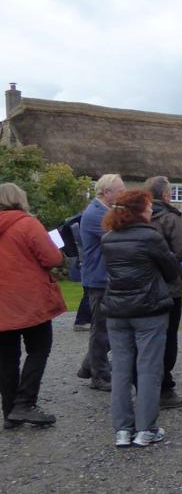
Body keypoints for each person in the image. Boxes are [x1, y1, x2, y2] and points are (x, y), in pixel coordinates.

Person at [100, 190, 180, 447]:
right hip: (149, 310)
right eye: (147, 207)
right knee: (148, 369)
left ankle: (122, 430)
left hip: (117, 310)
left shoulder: (109, 238)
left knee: (121, 370)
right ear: (137, 211)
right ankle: (146, 429)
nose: (151, 211)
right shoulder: (151, 237)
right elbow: (171, 270)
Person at [0, 183, 66, 429]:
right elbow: (52, 258)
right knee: (39, 349)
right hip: (29, 299)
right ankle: (25, 402)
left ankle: (9, 411)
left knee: (7, 357)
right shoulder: (27, 224)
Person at [145, 176, 182, 409]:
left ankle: (148, 385)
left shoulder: (137, 216)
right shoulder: (169, 219)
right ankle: (164, 387)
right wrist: (168, 263)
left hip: (142, 287)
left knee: (146, 337)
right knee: (167, 336)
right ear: (165, 195)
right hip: (168, 287)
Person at [78, 173, 126, 392]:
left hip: (103, 277)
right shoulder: (97, 214)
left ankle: (90, 365)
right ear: (107, 193)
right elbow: (121, 238)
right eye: (120, 191)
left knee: (107, 326)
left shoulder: (103, 211)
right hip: (99, 279)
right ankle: (99, 375)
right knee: (102, 329)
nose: (123, 194)